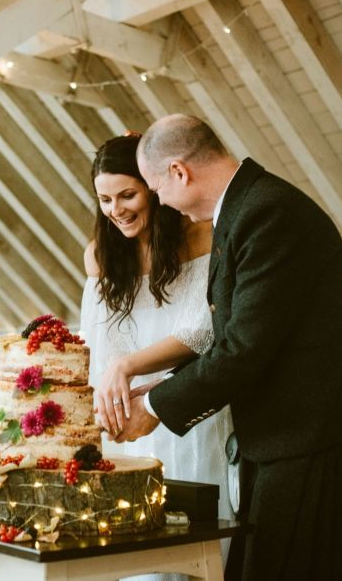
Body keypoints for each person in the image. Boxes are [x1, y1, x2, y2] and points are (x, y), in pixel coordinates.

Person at [115, 115, 342, 581]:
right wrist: (162, 385)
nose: (163, 204)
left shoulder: (266, 212)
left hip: (317, 439)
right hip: (288, 439)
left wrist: (155, 405)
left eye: (157, 190)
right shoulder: (245, 209)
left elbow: (245, 347)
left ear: (180, 172)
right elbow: (240, 333)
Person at [80, 134, 234, 578]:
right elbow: (101, 346)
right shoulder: (100, 255)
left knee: (195, 554)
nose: (116, 210)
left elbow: (205, 333)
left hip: (194, 414)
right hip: (131, 424)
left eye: (127, 194)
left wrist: (130, 369)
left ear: (154, 186)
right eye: (105, 199)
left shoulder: (202, 236)